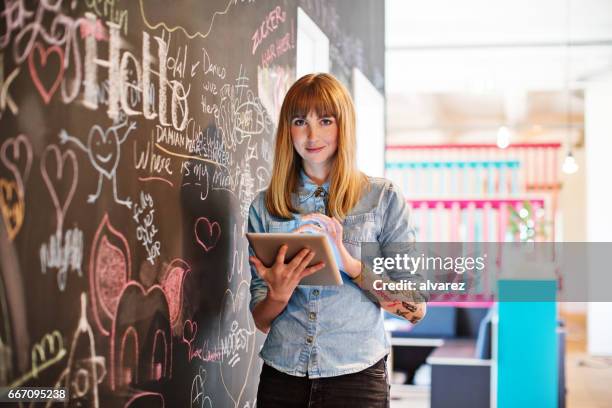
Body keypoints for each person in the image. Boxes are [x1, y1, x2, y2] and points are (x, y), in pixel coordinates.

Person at [247, 73, 427, 408]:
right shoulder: (266, 206)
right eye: (300, 121)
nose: (312, 135)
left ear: (343, 127)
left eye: (325, 120)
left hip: (356, 378)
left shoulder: (382, 199)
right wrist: (279, 293)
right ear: (288, 130)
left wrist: (348, 262)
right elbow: (261, 319)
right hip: (282, 376)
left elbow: (415, 308)